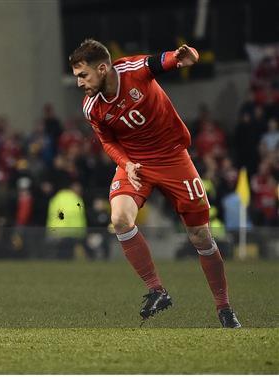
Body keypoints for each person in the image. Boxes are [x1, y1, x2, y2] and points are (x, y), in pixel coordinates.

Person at [69, 39, 241, 328]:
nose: (79, 83)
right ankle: (157, 290)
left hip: (173, 158)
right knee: (120, 219)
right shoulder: (92, 107)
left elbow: (166, 60)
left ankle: (224, 307)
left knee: (200, 236)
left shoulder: (133, 70)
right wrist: (127, 164)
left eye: (82, 75)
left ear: (102, 68)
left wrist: (185, 57)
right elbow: (108, 142)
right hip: (136, 164)